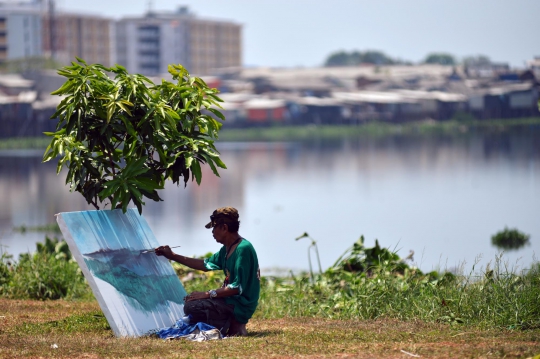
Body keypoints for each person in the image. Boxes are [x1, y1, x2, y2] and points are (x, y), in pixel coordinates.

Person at [155, 207, 260, 336]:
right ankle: (229, 326)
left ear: (224, 228)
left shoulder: (243, 249)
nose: (212, 232)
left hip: (240, 304)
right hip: (231, 300)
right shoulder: (227, 249)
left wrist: (207, 294)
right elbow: (204, 264)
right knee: (191, 303)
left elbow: (237, 288)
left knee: (193, 307)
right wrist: (172, 256)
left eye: (214, 228)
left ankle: (235, 326)